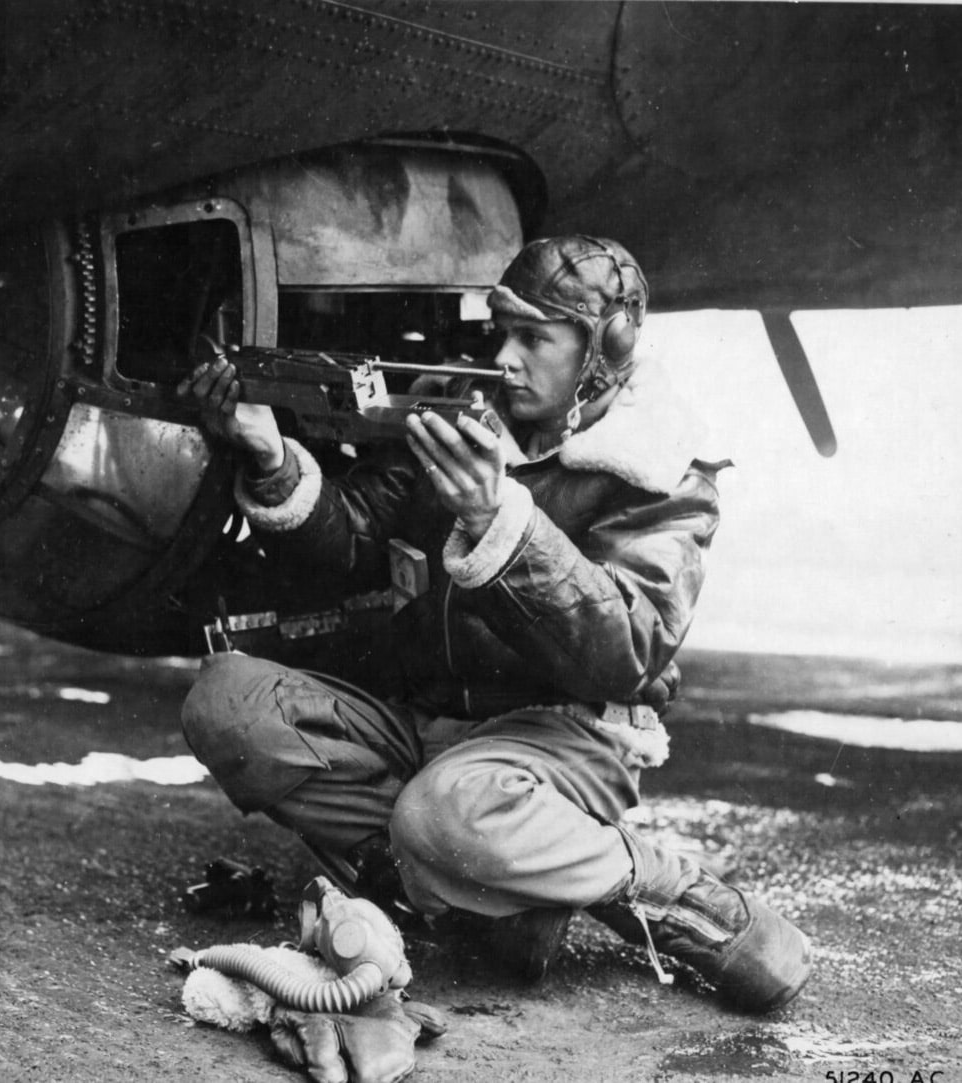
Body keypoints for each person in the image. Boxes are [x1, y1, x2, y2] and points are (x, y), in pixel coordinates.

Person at [177, 235, 811, 1013]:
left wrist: (498, 518)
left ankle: (667, 891)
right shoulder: (470, 414)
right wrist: (272, 457)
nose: (504, 358)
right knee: (228, 703)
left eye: (534, 338)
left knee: (445, 810)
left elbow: (626, 651)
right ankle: (468, 894)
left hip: (563, 736)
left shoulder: (665, 475)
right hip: (425, 721)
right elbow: (356, 538)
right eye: (501, 330)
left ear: (603, 348)